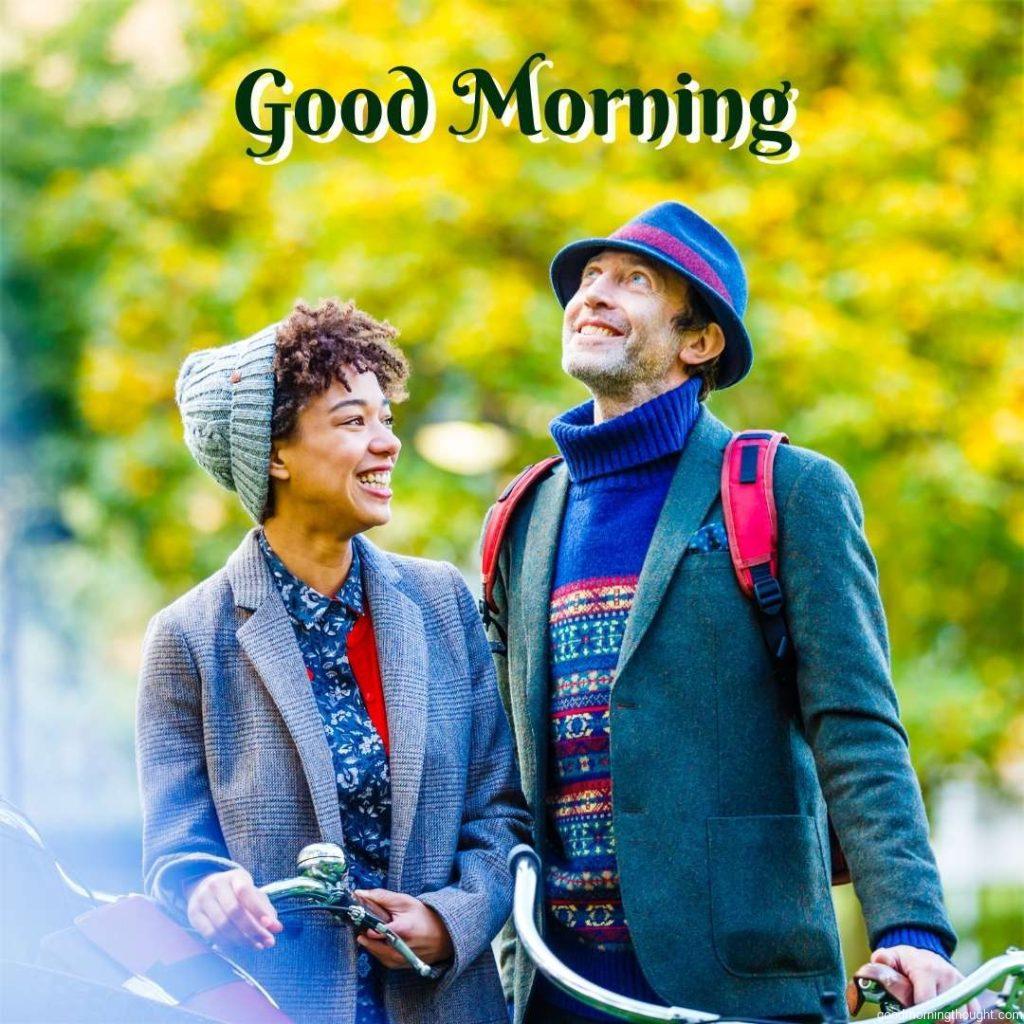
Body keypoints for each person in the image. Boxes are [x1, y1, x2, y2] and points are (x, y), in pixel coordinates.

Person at [485, 202, 974, 1023]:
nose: (594, 295)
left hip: (743, 986)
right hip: (554, 987)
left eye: (633, 281)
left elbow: (856, 723)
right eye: (590, 278)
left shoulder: (786, 490)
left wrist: (914, 928)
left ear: (699, 340)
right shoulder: (523, 515)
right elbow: (495, 766)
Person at [137, 298, 530, 1024]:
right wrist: (205, 891)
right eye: (353, 421)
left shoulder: (443, 603)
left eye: (386, 417)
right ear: (275, 453)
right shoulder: (187, 639)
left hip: (447, 1006)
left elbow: (502, 813)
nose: (387, 442)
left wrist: (451, 921)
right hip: (272, 1006)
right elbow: (174, 852)